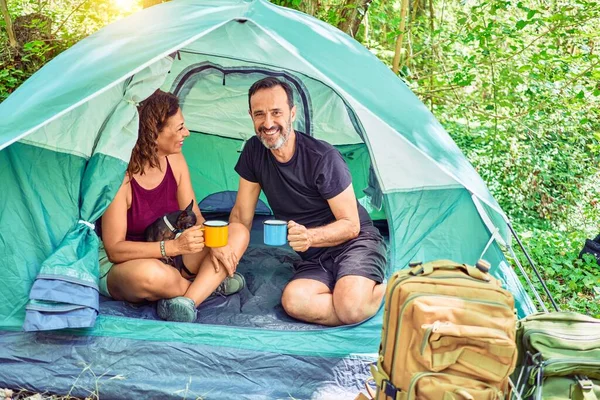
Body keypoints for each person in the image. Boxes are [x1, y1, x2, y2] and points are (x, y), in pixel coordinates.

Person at [228, 77, 387, 326]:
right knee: (294, 302)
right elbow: (241, 216)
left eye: (276, 113)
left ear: (292, 113)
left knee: (350, 307)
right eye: (260, 114)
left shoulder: (322, 157)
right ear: (251, 115)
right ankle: (351, 297)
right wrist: (229, 253)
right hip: (314, 255)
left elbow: (351, 225)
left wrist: (310, 237)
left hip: (355, 243)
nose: (268, 123)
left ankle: (388, 291)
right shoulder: (253, 151)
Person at [99, 89, 250, 323]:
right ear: (153, 133)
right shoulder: (122, 177)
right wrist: (172, 247)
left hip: (175, 256)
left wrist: (215, 242)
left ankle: (186, 301)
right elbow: (115, 249)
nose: (187, 133)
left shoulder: (175, 161)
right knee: (152, 276)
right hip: (127, 264)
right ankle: (206, 286)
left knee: (237, 232)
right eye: (179, 128)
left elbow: (196, 218)